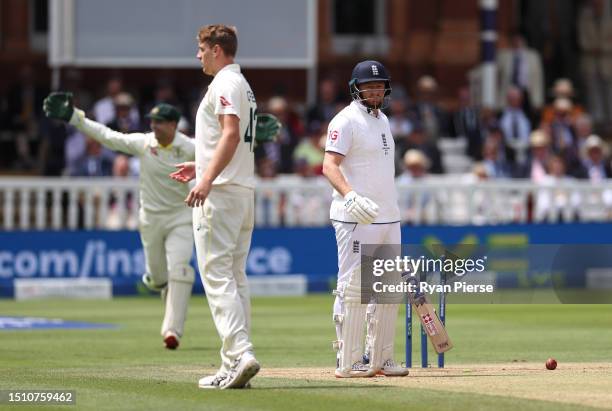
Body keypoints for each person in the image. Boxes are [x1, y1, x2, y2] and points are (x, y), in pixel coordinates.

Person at [169, 24, 279, 390]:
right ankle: (232, 362)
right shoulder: (241, 84)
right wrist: (200, 166)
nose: (198, 55)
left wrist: (206, 180)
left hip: (222, 194)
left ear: (217, 49)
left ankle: (241, 352)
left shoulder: (226, 84)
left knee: (216, 277)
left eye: (201, 49)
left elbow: (230, 133)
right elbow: (226, 137)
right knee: (234, 278)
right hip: (240, 191)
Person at [43, 95, 197, 351]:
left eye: (160, 122)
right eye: (152, 122)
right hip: (151, 219)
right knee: (160, 279)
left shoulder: (191, 147)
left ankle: (172, 331)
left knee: (180, 270)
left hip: (181, 218)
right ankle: (159, 283)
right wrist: (74, 118)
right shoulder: (144, 143)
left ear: (174, 124)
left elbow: (220, 151)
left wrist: (252, 142)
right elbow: (108, 136)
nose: (154, 126)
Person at [322, 60, 409, 378]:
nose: (375, 90)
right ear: (355, 88)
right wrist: (350, 195)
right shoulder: (344, 121)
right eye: (368, 85)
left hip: (388, 216)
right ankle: (348, 360)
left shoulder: (383, 119)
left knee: (387, 289)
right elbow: (329, 165)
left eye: (379, 85)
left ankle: (380, 358)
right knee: (353, 287)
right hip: (355, 216)